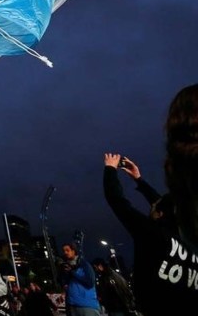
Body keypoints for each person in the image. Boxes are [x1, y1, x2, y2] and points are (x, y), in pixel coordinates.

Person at [103, 83, 198, 314]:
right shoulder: (189, 243)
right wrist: (138, 179)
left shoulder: (152, 233)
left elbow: (117, 200)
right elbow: (163, 201)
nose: (151, 209)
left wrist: (110, 169)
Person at [58, 243, 100, 316]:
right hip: (72, 306)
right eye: (64, 251)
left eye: (67, 250)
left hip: (86, 305)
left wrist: (73, 272)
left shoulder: (84, 264)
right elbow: (65, 284)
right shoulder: (66, 267)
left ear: (74, 251)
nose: (65, 253)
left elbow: (90, 282)